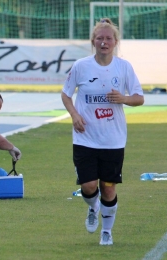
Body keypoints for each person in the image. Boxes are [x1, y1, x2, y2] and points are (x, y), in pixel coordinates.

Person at [61, 18, 144, 245]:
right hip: (85, 137)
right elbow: (66, 94)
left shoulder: (124, 67)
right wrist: (75, 115)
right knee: (88, 186)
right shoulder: (81, 66)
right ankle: (93, 207)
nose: (104, 42)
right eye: (100, 38)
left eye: (108, 38)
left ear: (115, 42)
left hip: (113, 139)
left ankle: (106, 231)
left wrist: (124, 98)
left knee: (108, 187)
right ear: (93, 41)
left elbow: (139, 98)